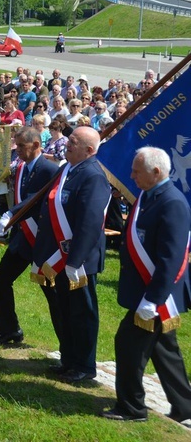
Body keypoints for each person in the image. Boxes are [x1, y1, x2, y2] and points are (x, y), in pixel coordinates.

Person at [102, 147, 191, 424]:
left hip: (157, 294)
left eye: (136, 171)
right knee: (165, 351)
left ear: (156, 172)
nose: (131, 176)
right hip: (147, 288)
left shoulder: (172, 202)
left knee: (128, 345)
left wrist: (153, 299)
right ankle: (185, 406)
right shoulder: (149, 195)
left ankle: (132, 408)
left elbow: (172, 258)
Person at [31, 126, 111, 383]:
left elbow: (90, 222)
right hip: (61, 257)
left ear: (89, 150)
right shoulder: (68, 169)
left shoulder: (93, 176)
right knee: (64, 310)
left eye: (73, 141)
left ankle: (85, 366)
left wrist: (75, 261)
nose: (67, 143)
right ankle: (69, 360)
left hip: (80, 261)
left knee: (82, 313)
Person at [0, 128, 60, 345]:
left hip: (41, 239)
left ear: (36, 145)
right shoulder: (21, 169)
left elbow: (35, 200)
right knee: (0, 280)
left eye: (21, 146)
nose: (17, 150)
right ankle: (9, 329)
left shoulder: (49, 169)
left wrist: (11, 214)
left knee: (52, 293)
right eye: (16, 145)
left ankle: (67, 347)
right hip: (22, 237)